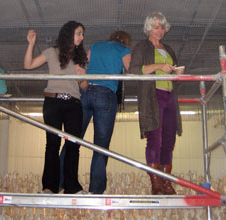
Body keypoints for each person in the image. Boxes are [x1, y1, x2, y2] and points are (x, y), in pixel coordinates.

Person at [24, 21, 88, 194]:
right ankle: (49, 187)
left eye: (82, 34)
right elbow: (28, 65)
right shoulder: (52, 52)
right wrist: (31, 44)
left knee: (73, 145)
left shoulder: (81, 58)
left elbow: (84, 87)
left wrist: (81, 77)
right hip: (53, 101)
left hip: (74, 103)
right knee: (52, 144)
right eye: (79, 33)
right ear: (69, 33)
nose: (81, 37)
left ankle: (71, 186)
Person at [70, 31, 132, 194]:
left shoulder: (96, 46)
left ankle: (62, 181)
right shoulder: (123, 50)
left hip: (85, 92)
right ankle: (96, 190)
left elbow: (82, 65)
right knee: (101, 144)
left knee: (73, 138)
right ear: (125, 42)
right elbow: (131, 68)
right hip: (105, 94)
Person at [130, 12, 184, 195]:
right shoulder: (141, 48)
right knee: (155, 138)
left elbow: (173, 74)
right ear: (148, 28)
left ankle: (166, 182)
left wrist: (176, 74)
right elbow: (134, 70)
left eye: (162, 27)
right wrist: (158, 67)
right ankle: (156, 183)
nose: (160, 30)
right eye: (156, 27)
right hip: (153, 96)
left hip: (170, 96)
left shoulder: (168, 49)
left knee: (169, 140)